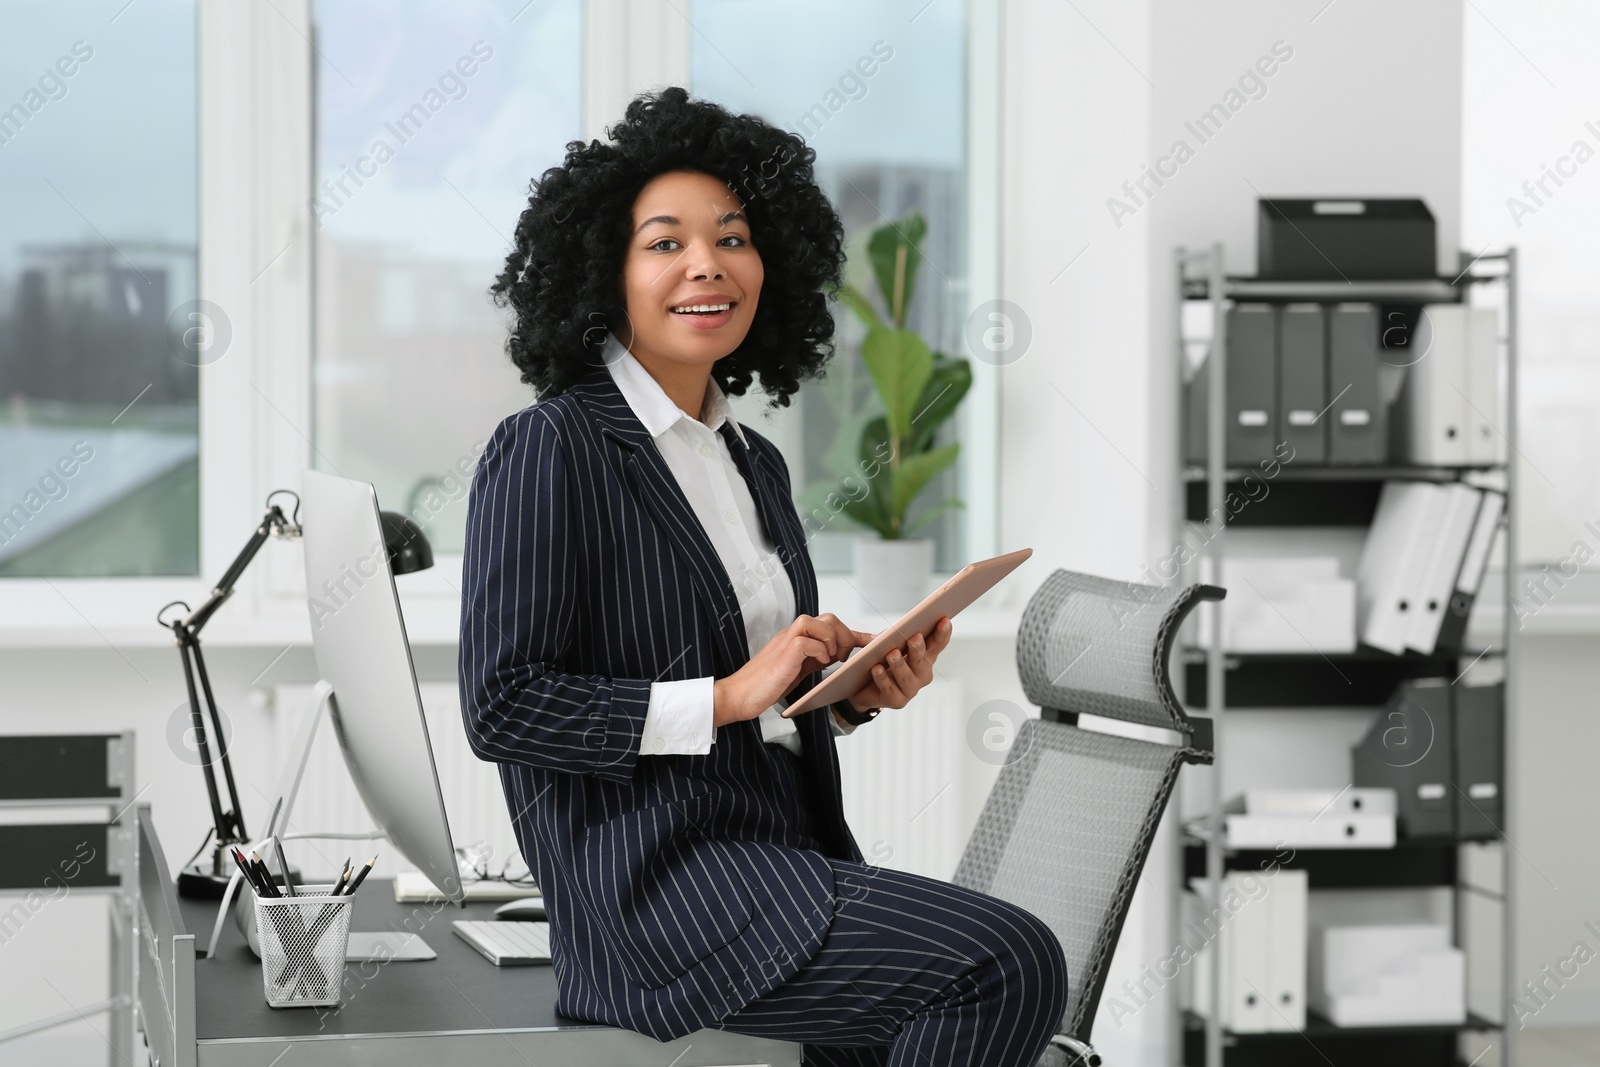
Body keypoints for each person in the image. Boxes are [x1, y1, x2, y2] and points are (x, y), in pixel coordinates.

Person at [459, 86, 1067, 1067]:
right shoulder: (551, 447)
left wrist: (841, 697)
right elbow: (504, 703)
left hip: (775, 857)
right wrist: (732, 692)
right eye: (664, 242)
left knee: (933, 997)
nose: (706, 262)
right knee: (1006, 957)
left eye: (732, 238)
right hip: (656, 894)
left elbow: (756, 708)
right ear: (601, 273)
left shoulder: (753, 463)